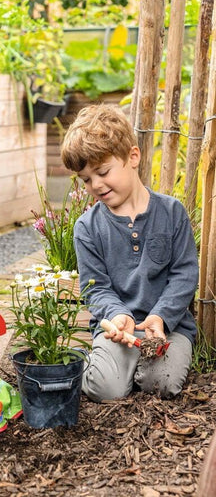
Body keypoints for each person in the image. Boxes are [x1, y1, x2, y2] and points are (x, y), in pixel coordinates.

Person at [60, 104, 199, 402]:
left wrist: (161, 318)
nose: (95, 184)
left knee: (160, 384)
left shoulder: (172, 213)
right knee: (103, 389)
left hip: (168, 329)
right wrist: (117, 313)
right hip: (117, 331)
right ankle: (109, 364)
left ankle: (133, 368)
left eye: (102, 172)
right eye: (85, 179)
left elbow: (184, 276)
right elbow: (94, 288)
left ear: (132, 157)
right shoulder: (87, 227)